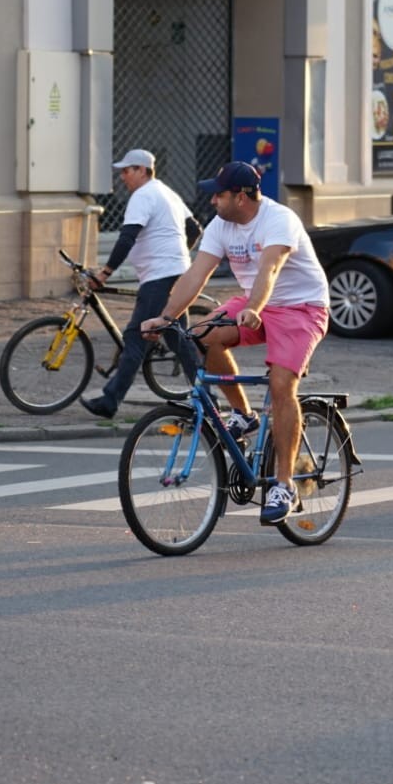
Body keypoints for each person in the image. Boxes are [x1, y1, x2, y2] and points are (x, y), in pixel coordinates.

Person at [140, 162, 331, 525]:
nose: (212, 200)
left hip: (301, 307)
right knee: (202, 336)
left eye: (220, 194)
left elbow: (270, 270)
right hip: (254, 304)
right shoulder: (221, 225)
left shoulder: (279, 219)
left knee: (281, 383)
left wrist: (255, 308)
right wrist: (166, 317)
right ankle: (244, 416)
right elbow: (197, 273)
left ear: (241, 197)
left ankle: (284, 484)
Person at [80, 150, 199, 419]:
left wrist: (105, 272)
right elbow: (194, 229)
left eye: (127, 170)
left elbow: (127, 238)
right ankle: (207, 395)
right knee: (178, 338)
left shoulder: (143, 196)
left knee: (136, 336)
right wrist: (178, 254)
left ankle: (110, 401)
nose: (122, 176)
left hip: (159, 276)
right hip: (177, 272)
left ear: (143, 170)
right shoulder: (168, 193)